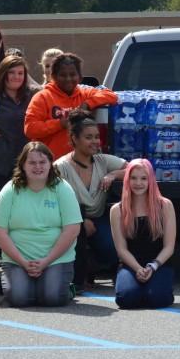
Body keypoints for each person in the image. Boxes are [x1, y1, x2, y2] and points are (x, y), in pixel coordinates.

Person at [0, 142, 82, 307]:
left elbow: (72, 228)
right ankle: (30, 285)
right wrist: (22, 261)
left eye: (42, 162)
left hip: (55, 259)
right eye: (32, 162)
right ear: (23, 165)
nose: (38, 167)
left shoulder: (62, 188)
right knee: (19, 299)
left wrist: (47, 260)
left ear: (50, 164)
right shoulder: (10, 190)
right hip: (18, 259)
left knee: (52, 298)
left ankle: (64, 288)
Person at [55, 110, 127, 290]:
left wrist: (113, 174)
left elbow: (139, 168)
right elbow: (54, 202)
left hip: (99, 217)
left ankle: (94, 265)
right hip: (68, 220)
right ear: (74, 139)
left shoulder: (102, 161)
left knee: (112, 249)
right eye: (88, 137)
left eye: (96, 137)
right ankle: (76, 273)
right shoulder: (60, 167)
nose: (95, 141)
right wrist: (80, 221)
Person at [24, 53, 118, 160]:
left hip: (80, 164)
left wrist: (88, 104)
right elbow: (30, 129)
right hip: (49, 164)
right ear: (54, 76)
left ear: (80, 77)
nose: (68, 79)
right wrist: (60, 124)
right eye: (63, 75)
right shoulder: (42, 97)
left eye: (73, 75)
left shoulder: (85, 93)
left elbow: (111, 95)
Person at [110, 159, 176, 309]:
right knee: (126, 299)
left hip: (158, 264)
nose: (138, 183)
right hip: (130, 265)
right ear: (127, 179)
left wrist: (152, 267)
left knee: (157, 298)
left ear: (151, 180)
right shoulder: (117, 210)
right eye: (133, 178)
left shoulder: (165, 205)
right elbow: (121, 249)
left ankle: (156, 286)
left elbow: (169, 247)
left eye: (143, 178)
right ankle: (134, 287)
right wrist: (138, 269)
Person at [0, 55, 39, 200]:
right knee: (3, 205)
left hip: (26, 162)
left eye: (20, 73)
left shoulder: (32, 95)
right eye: (12, 72)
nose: (16, 77)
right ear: (3, 73)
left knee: (25, 204)